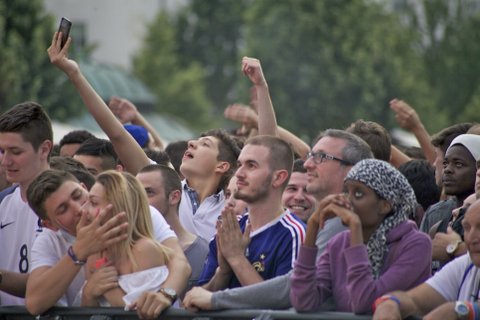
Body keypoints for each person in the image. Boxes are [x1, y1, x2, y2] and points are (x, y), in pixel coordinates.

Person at [48, 30, 190, 319]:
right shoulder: (92, 252)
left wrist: (74, 74)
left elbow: (179, 266)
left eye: (91, 200)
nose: (83, 208)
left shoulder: (148, 228)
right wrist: (89, 292)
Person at [182, 130, 373, 311]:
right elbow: (194, 301)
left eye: (321, 157)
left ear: (352, 170)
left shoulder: (343, 223)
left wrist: (222, 290)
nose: (307, 164)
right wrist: (223, 273)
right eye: (240, 164)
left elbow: (293, 289)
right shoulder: (231, 228)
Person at [290, 159, 432, 314]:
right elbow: (303, 301)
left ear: (384, 205)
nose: (347, 201)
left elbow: (365, 302)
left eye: (358, 194)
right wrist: (313, 226)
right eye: (346, 191)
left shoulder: (416, 244)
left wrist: (356, 232)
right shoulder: (339, 243)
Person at [197, 135, 305, 291]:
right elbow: (198, 300)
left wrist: (237, 259)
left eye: (251, 165)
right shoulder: (229, 231)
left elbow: (282, 303)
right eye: (239, 164)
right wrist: (224, 272)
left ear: (278, 178)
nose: (239, 173)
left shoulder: (294, 234)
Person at [25, 170, 129, 314]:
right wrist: (78, 252)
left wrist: (166, 293)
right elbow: (34, 303)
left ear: (85, 188)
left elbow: (171, 253)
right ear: (50, 225)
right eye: (63, 209)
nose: (79, 209)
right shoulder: (48, 240)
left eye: (78, 196)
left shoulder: (128, 210)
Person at [373, 198, 480, 320]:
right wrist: (390, 303)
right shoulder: (465, 265)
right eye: (467, 227)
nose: (472, 237)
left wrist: (460, 311)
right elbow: (413, 300)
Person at [82, 171, 171, 308]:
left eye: (93, 203)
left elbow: (142, 313)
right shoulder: (94, 254)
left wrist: (108, 289)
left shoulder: (144, 250)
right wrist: (88, 293)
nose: (83, 209)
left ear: (118, 208)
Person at [0, 102, 53, 305]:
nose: (5, 161)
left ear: (44, 149)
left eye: (15, 152)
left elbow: (48, 283)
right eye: (2, 151)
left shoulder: (68, 203)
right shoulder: (3, 202)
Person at [136, 164, 209, 294]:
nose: (138, 201)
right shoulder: (125, 247)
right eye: (135, 194)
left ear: (174, 197)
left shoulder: (202, 253)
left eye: (148, 193)